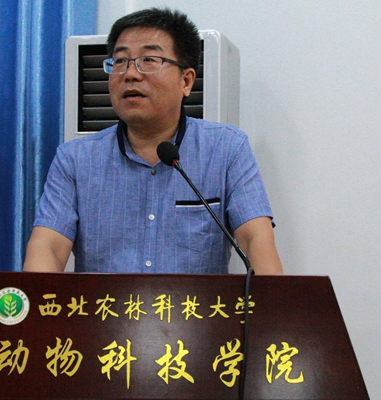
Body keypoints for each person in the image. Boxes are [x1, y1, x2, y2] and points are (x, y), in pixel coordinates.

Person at [23, 8, 283, 275]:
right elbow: (48, 248)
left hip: (195, 304)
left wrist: (273, 299)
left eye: (148, 60)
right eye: (120, 61)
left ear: (186, 81)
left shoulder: (226, 148)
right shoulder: (75, 159)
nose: (130, 74)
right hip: (105, 304)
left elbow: (255, 239)